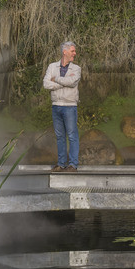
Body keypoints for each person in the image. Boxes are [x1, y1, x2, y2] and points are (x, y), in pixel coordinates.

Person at [45, 41, 82, 172]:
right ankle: (61, 164)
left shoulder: (76, 69)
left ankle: (73, 164)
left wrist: (56, 79)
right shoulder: (52, 66)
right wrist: (62, 82)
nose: (75, 53)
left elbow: (72, 82)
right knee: (60, 136)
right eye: (72, 51)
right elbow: (46, 84)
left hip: (70, 106)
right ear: (64, 52)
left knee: (72, 135)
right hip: (56, 106)